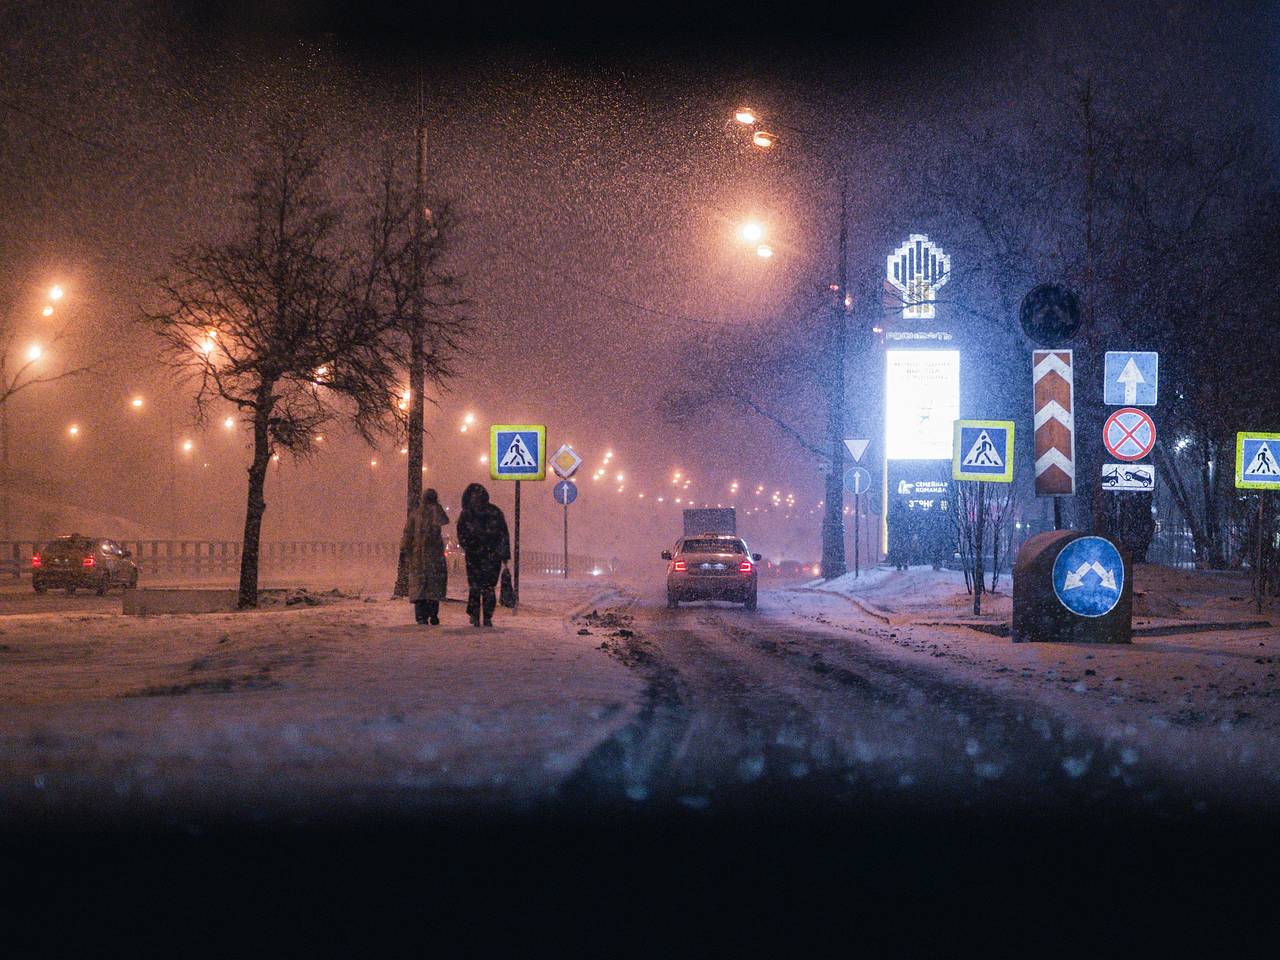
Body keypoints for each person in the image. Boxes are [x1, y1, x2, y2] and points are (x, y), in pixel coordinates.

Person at [456, 482, 511, 628]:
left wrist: (469, 546)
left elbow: (461, 534)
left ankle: (475, 615)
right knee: (488, 587)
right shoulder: (495, 512)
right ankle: (487, 616)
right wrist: (504, 554)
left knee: (475, 586)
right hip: (492, 556)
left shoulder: (467, 513)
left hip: (474, 556)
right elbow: (503, 534)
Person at [400, 488, 450, 626]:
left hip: (420, 557)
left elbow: (407, 533)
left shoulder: (416, 514)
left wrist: (405, 549)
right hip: (430, 557)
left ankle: (422, 616)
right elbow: (444, 520)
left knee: (421, 589)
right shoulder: (421, 514)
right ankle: (431, 614)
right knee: (431, 589)